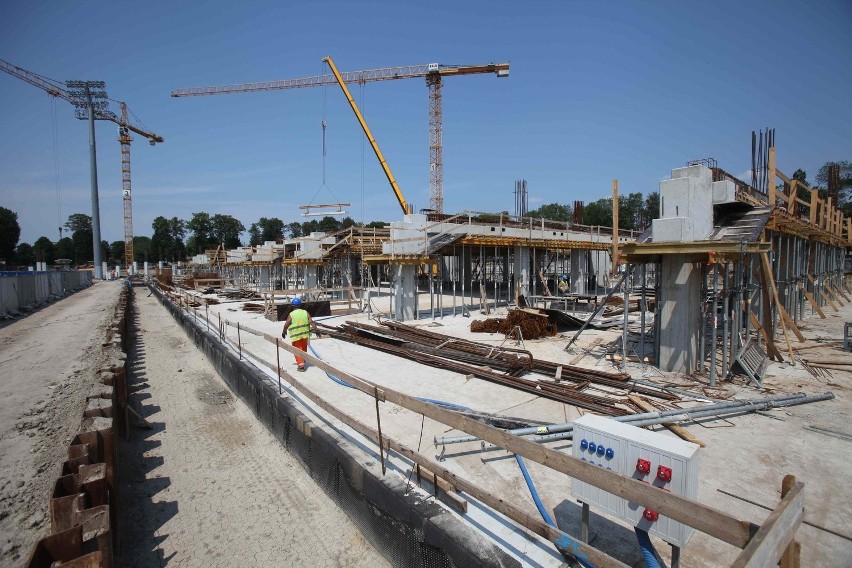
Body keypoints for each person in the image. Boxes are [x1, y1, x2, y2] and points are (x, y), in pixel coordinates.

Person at [281, 298, 319, 371]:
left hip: (296, 336)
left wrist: (284, 331)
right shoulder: (305, 312)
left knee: (297, 350)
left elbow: (287, 324)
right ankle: (303, 360)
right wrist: (317, 330)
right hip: (305, 335)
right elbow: (311, 322)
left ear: (292, 306)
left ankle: (301, 366)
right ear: (300, 305)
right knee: (303, 348)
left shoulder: (291, 314)